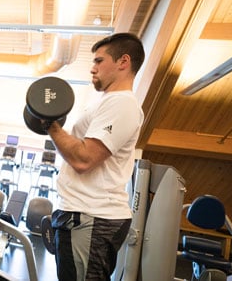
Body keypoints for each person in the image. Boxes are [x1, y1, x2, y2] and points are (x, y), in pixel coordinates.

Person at [47, 33, 145, 280]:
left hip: (92, 216)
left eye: (99, 61)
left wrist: (51, 125)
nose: (92, 68)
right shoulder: (105, 102)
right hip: (82, 213)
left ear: (123, 62)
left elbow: (84, 159)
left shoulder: (122, 104)